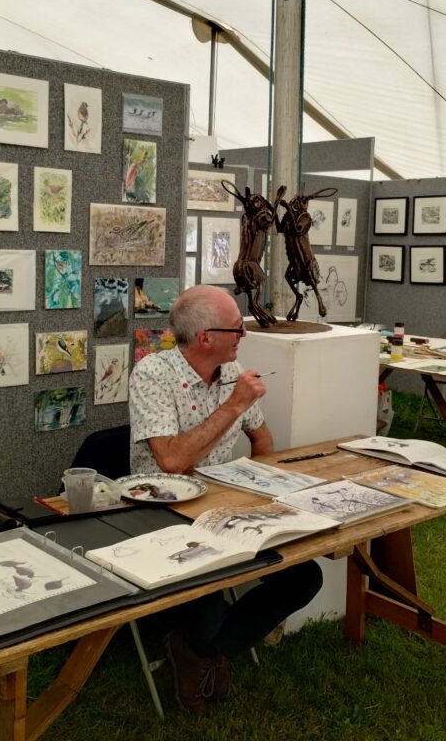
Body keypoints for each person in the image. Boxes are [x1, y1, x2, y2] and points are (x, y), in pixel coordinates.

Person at [128, 284, 323, 713]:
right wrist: (233, 407)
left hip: (224, 508)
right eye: (236, 328)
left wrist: (265, 490)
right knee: (210, 601)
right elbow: (172, 461)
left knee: (304, 576)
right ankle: (203, 649)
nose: (244, 335)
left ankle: (200, 652)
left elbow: (263, 437)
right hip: (164, 513)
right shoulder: (152, 374)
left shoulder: (232, 374)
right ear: (205, 338)